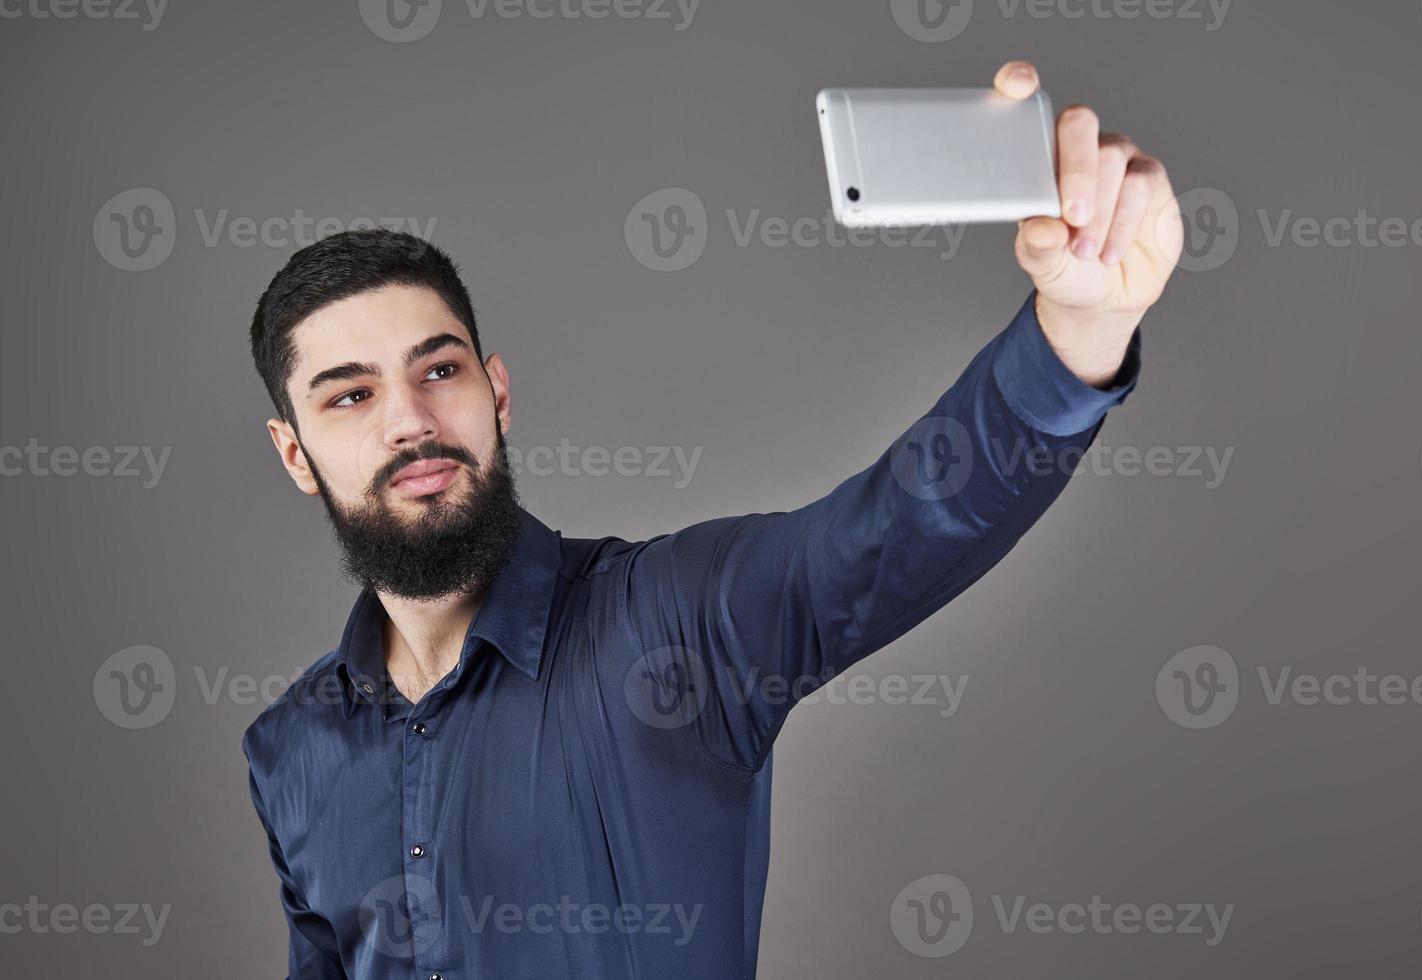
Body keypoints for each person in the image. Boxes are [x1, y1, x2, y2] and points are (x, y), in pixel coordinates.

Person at [242, 60, 1182, 979]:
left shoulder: (674, 622)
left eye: (439, 370)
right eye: (350, 397)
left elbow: (889, 531)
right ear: (295, 454)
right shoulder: (291, 746)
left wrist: (1080, 331)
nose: (410, 420)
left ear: (496, 393)